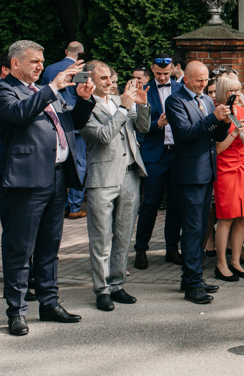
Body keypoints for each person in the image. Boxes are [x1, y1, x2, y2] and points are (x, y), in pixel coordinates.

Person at [0, 40, 95, 336]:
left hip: (57, 177)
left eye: (42, 61)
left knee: (49, 247)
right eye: (34, 62)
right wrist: (52, 87)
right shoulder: (7, 90)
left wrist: (83, 99)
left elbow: (72, 122)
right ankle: (16, 311)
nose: (40, 66)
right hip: (27, 180)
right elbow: (18, 115)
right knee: (20, 247)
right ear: (15, 63)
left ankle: (49, 302)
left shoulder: (48, 93)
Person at [81, 64, 150, 310]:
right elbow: (103, 135)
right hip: (102, 178)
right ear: (89, 81)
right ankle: (101, 290)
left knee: (123, 236)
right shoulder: (85, 106)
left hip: (130, 176)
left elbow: (142, 128)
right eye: (103, 78)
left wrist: (141, 104)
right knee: (101, 238)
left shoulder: (119, 102)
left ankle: (117, 284)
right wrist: (123, 107)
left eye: (110, 77)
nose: (109, 81)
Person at [165, 62, 231, 304]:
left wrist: (224, 122)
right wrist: (213, 118)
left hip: (207, 172)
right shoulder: (175, 101)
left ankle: (192, 277)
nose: (203, 84)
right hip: (189, 174)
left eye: (205, 80)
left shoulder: (207, 101)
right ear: (186, 80)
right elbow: (185, 134)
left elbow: (215, 136)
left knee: (202, 228)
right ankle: (192, 284)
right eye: (198, 80)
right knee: (192, 229)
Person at [133, 55, 183, 270]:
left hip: (178, 153)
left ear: (173, 69)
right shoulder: (145, 91)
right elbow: (137, 125)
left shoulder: (181, 90)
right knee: (150, 203)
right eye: (158, 74)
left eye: (166, 73)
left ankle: (172, 248)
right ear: (152, 71)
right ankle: (141, 249)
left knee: (175, 204)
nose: (162, 77)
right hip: (155, 154)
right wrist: (157, 124)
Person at [211, 75, 244, 282]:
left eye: (238, 89)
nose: (235, 93)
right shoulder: (219, 114)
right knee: (226, 217)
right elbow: (218, 150)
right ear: (223, 92)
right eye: (231, 91)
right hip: (226, 169)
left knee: (242, 217)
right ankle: (221, 263)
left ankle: (236, 261)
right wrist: (234, 134)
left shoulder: (242, 110)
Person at [40, 41, 87, 218]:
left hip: (56, 121)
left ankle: (64, 204)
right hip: (74, 120)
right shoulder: (80, 69)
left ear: (66, 51)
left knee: (61, 162)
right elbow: (80, 92)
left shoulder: (50, 69)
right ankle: (75, 207)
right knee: (79, 163)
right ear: (81, 53)